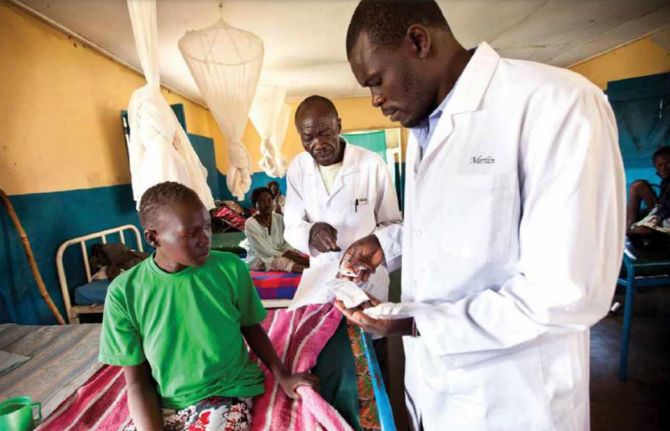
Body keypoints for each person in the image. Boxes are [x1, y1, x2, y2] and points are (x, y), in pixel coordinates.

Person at [337, 1, 625, 430]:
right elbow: (450, 229)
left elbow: (569, 291)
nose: (375, 99)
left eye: (376, 81)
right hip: (435, 389)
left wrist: (418, 322)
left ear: (418, 41)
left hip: (514, 400)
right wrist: (387, 244)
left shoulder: (557, 104)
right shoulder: (423, 128)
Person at [98, 182, 317, 431]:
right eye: (191, 233)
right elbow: (136, 381)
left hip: (226, 391)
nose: (205, 240)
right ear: (153, 237)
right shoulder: (124, 292)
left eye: (207, 227)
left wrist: (282, 374)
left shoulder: (229, 268)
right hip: (166, 400)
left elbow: (251, 327)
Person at [283, 94, 402, 286]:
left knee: (366, 315)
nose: (318, 144)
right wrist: (311, 233)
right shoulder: (298, 167)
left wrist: (375, 242)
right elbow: (291, 225)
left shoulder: (372, 164)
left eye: (325, 133)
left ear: (338, 126)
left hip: (366, 277)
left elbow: (393, 223)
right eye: (308, 137)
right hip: (321, 277)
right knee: (321, 316)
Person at [245, 187, 309, 273]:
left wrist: (289, 252)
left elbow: (287, 240)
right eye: (262, 201)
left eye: (269, 200)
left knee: (297, 257)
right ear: (255, 205)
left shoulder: (279, 219)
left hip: (281, 252)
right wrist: (284, 254)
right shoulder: (250, 224)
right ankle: (312, 272)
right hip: (260, 257)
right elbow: (263, 249)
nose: (267, 204)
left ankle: (320, 269)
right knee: (282, 262)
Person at [627, 146, 670, 230]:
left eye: (668, 164)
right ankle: (629, 226)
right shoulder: (665, 182)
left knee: (640, 230)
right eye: (660, 165)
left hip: (666, 219)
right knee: (639, 185)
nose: (664, 168)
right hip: (660, 213)